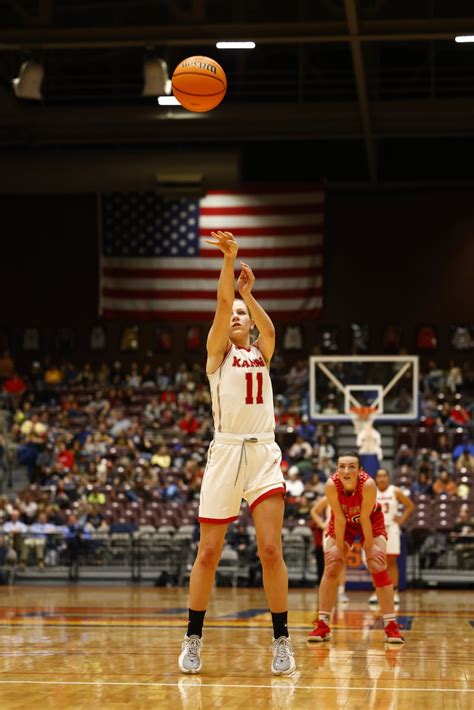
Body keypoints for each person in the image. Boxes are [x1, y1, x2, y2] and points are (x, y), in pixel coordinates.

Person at [178, 231, 295, 676]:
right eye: (234, 314)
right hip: (225, 452)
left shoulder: (262, 354)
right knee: (208, 552)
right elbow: (223, 306)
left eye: (242, 314)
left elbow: (271, 330)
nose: (236, 316)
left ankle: (281, 641)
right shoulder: (217, 355)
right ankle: (193, 639)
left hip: (263, 451)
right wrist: (230, 264)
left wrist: (251, 294)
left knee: (270, 549)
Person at [307, 451, 404, 644]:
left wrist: (370, 548)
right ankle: (323, 624)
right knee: (332, 565)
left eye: (352, 466)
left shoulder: (368, 485)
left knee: (377, 564)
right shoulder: (331, 484)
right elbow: (340, 518)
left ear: (360, 470)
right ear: (337, 469)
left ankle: (391, 625)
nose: (346, 470)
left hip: (370, 520)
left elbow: (365, 518)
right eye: (342, 466)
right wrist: (337, 549)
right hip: (343, 522)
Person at [368, 468, 415, 606]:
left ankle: (394, 592)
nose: (382, 479)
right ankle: (377, 592)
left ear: (388, 478)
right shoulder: (371, 492)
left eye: (384, 476)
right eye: (379, 476)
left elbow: (410, 505)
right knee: (376, 563)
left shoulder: (395, 491)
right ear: (376, 478)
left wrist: (401, 519)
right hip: (376, 530)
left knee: (391, 562)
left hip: (391, 529)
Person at [310, 495, 348, 601]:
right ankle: (329, 591)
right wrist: (322, 524)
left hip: (345, 531)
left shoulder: (351, 497)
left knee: (341, 563)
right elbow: (314, 511)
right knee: (329, 564)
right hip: (330, 532)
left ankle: (341, 592)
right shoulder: (328, 497)